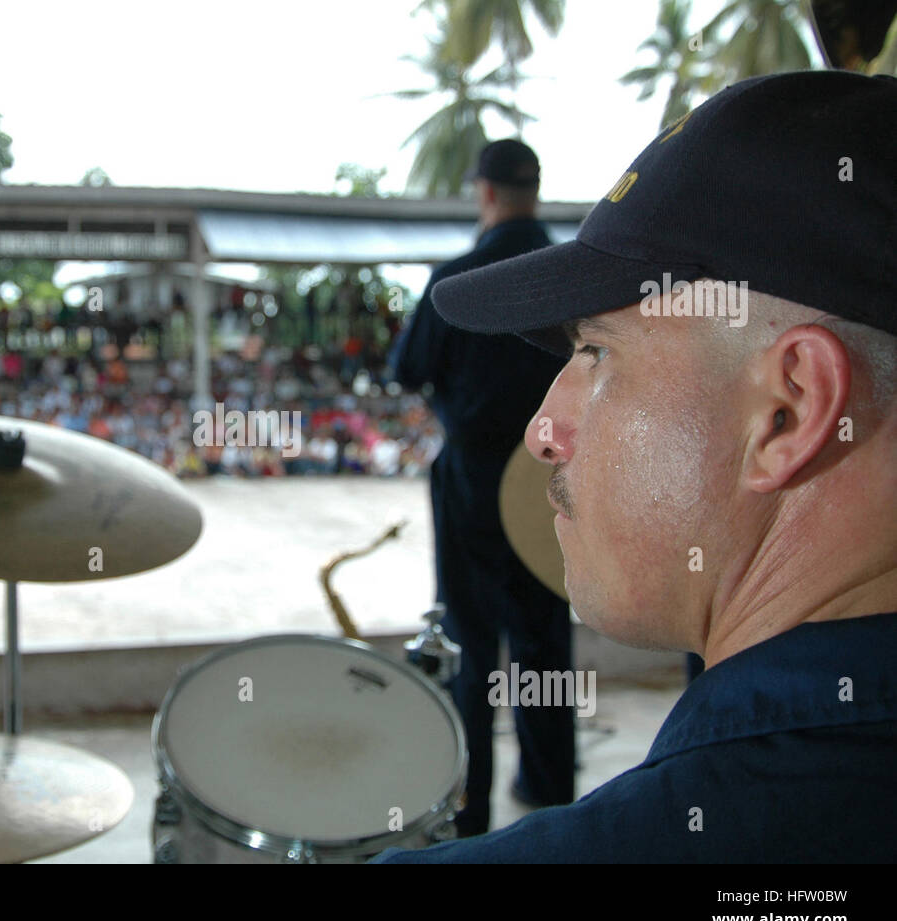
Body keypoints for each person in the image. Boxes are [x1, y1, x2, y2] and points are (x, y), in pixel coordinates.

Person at [375, 70, 897, 862]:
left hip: (467, 505)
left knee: (473, 652)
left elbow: (407, 372)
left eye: (595, 352)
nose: (545, 430)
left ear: (788, 410)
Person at [389, 140, 574, 836]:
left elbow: (408, 370)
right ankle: (551, 793)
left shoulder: (458, 279)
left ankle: (471, 818)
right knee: (543, 642)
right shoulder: (572, 276)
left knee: (470, 644)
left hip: (472, 479)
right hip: (552, 482)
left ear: (486, 193)